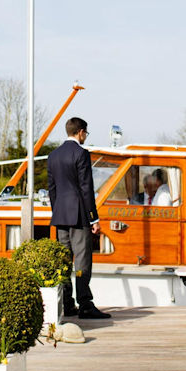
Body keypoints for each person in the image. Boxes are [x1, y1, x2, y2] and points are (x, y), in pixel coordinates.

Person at [47, 117, 110, 319]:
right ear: (81, 132)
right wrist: (94, 218)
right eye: (86, 134)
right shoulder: (81, 154)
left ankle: (67, 303)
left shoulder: (53, 156)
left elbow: (52, 189)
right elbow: (86, 188)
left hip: (60, 216)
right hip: (79, 215)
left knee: (64, 261)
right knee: (82, 261)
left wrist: (57, 211)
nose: (85, 138)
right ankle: (85, 304)